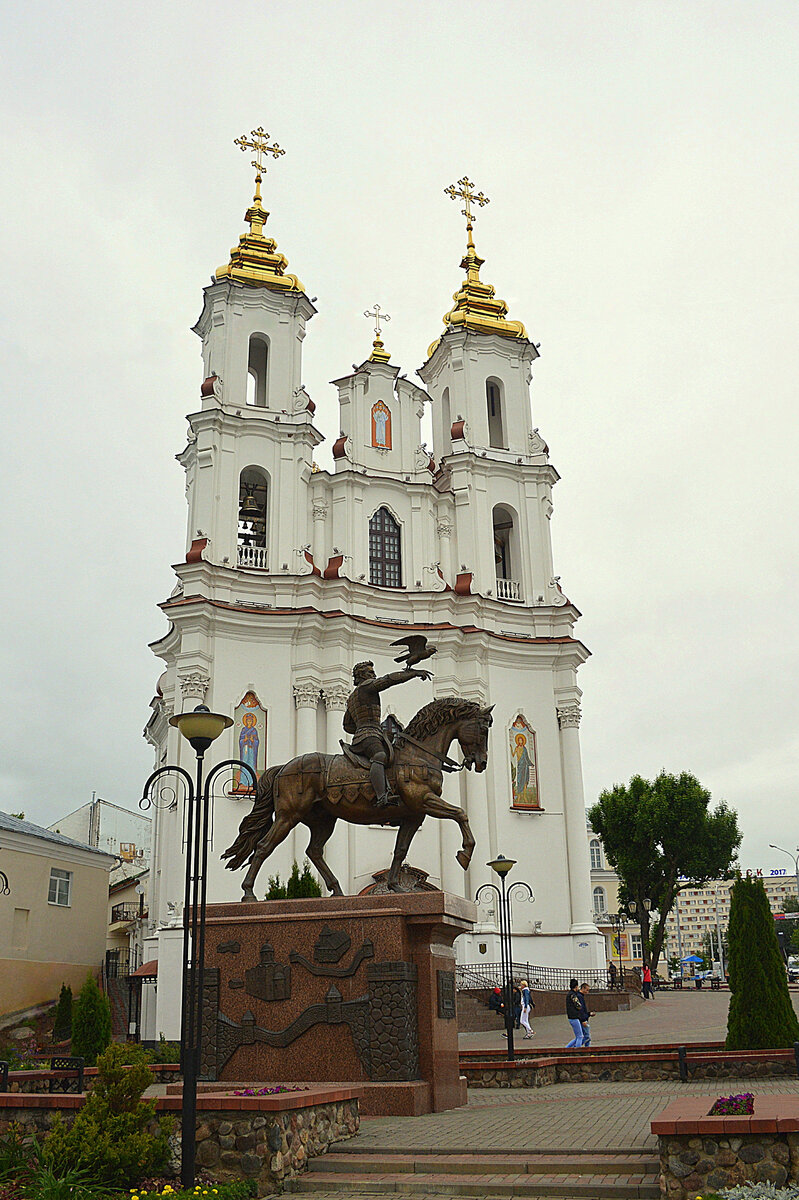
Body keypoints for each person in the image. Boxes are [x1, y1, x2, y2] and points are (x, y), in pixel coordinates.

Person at [343, 660, 431, 809]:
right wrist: (412, 673)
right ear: (361, 675)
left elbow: (347, 725)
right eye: (370, 672)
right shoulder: (366, 687)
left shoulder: (352, 698)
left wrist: (361, 726)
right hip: (369, 736)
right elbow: (388, 680)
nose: (374, 675)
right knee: (380, 756)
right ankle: (382, 796)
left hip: (366, 734)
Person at [565, 978, 584, 1048]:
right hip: (574, 1017)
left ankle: (567, 1048)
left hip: (571, 1017)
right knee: (580, 1036)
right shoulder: (573, 995)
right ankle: (578, 1051)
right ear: (576, 987)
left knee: (577, 1037)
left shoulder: (569, 994)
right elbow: (578, 1005)